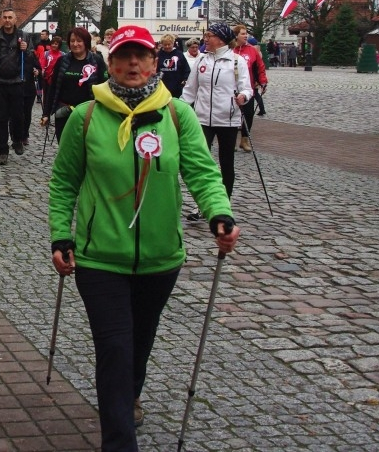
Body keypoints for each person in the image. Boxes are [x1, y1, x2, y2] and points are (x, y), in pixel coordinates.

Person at [48, 24, 240, 450]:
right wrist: (62, 236)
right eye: (123, 57)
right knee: (114, 348)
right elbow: (64, 183)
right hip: (100, 258)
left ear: (155, 62)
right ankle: (120, 440)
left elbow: (203, 173)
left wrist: (218, 213)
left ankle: (130, 392)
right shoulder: (86, 117)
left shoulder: (177, 115)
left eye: (141, 56)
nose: (132, 64)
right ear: (109, 64)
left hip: (160, 257)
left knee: (140, 338)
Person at [181, 22, 252, 203]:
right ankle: (201, 203)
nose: (205, 39)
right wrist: (178, 109)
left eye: (209, 35)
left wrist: (243, 96)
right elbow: (190, 90)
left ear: (220, 39)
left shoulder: (237, 61)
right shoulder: (202, 60)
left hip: (227, 119)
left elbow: (247, 88)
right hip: (202, 118)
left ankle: (224, 202)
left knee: (227, 163)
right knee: (201, 162)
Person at [40, 27, 107, 144]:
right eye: (72, 41)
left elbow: (104, 88)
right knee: (64, 146)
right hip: (63, 113)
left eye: (79, 41)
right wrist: (46, 113)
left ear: (85, 42)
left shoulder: (97, 61)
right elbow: (53, 88)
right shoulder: (62, 61)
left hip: (88, 113)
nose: (75, 44)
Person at [0, 8, 30, 165]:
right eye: (5, 17)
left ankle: (17, 140)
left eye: (10, 17)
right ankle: (2, 150)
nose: (8, 20)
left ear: (15, 19)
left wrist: (26, 50)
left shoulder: (23, 35)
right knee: (1, 119)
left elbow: (31, 58)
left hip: (16, 81)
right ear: (1, 19)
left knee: (18, 116)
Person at [231, 26, 268, 151]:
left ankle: (245, 139)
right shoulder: (231, 50)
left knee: (248, 114)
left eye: (246, 34)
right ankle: (232, 140)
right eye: (243, 34)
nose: (245, 36)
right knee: (232, 114)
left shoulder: (252, 50)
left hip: (249, 87)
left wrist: (263, 82)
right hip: (231, 87)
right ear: (236, 35)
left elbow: (260, 67)